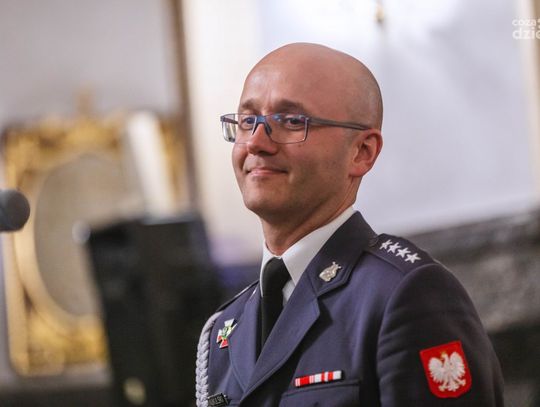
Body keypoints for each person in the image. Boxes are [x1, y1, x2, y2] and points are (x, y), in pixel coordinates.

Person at [195, 43, 504, 406]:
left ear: (361, 152)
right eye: (248, 121)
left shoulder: (403, 294)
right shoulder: (226, 328)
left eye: (291, 121)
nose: (257, 143)